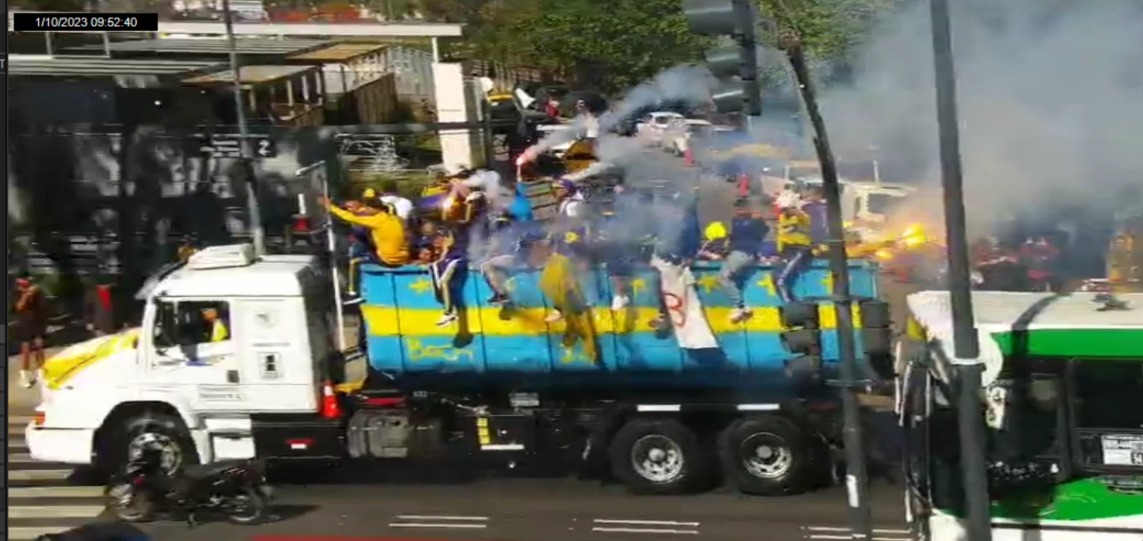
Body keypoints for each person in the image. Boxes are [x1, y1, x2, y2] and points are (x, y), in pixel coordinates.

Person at [720, 199, 771, 323]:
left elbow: (763, 232)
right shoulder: (736, 221)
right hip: (737, 252)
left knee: (724, 277)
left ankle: (738, 306)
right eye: (736, 209)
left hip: (745, 253)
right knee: (732, 278)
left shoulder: (755, 221)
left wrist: (759, 220)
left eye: (741, 209)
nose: (738, 212)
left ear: (748, 209)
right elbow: (734, 238)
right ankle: (742, 307)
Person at [324, 197, 410, 267]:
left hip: (388, 261)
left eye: (366, 208)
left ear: (372, 208)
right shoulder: (394, 218)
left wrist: (331, 207)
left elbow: (350, 218)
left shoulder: (377, 220)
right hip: (404, 259)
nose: (364, 210)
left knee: (353, 260)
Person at [773, 193, 814, 302]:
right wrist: (778, 252)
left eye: (787, 209)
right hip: (786, 250)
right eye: (783, 209)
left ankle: (790, 304)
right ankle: (790, 302)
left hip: (799, 249)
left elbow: (802, 216)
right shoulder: (782, 217)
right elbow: (781, 236)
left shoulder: (801, 216)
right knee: (776, 278)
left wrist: (792, 205)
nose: (785, 211)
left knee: (780, 280)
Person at [13, 275, 48, 388]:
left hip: (37, 323)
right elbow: (19, 307)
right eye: (24, 281)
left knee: (39, 348)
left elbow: (43, 307)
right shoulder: (15, 293)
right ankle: (24, 375)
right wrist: (26, 294)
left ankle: (41, 372)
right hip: (25, 324)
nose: (27, 283)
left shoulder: (37, 292)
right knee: (26, 350)